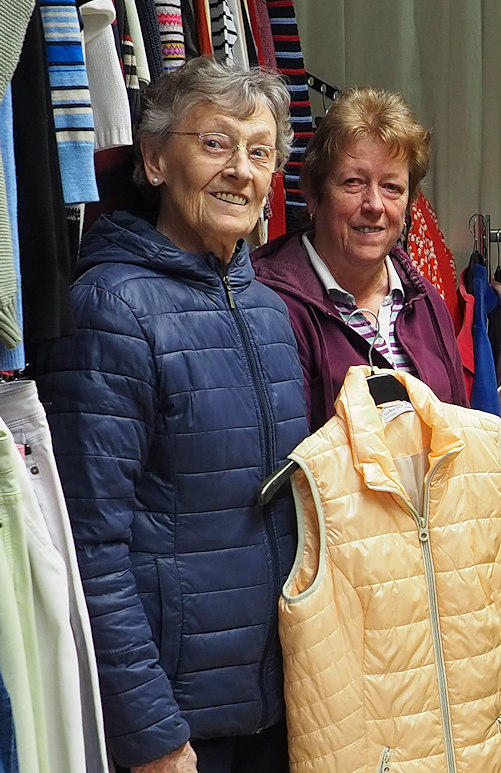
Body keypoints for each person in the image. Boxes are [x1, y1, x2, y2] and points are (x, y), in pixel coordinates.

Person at [35, 57, 308, 772]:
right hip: (179, 725)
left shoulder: (270, 310)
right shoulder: (111, 308)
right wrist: (151, 729)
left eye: (260, 152)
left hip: (278, 708)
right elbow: (89, 545)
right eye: (215, 143)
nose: (240, 170)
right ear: (155, 159)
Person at [252, 87, 466, 431]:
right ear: (313, 194)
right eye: (354, 182)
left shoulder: (425, 301)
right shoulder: (268, 304)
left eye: (392, 187)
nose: (375, 205)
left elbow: (461, 433)